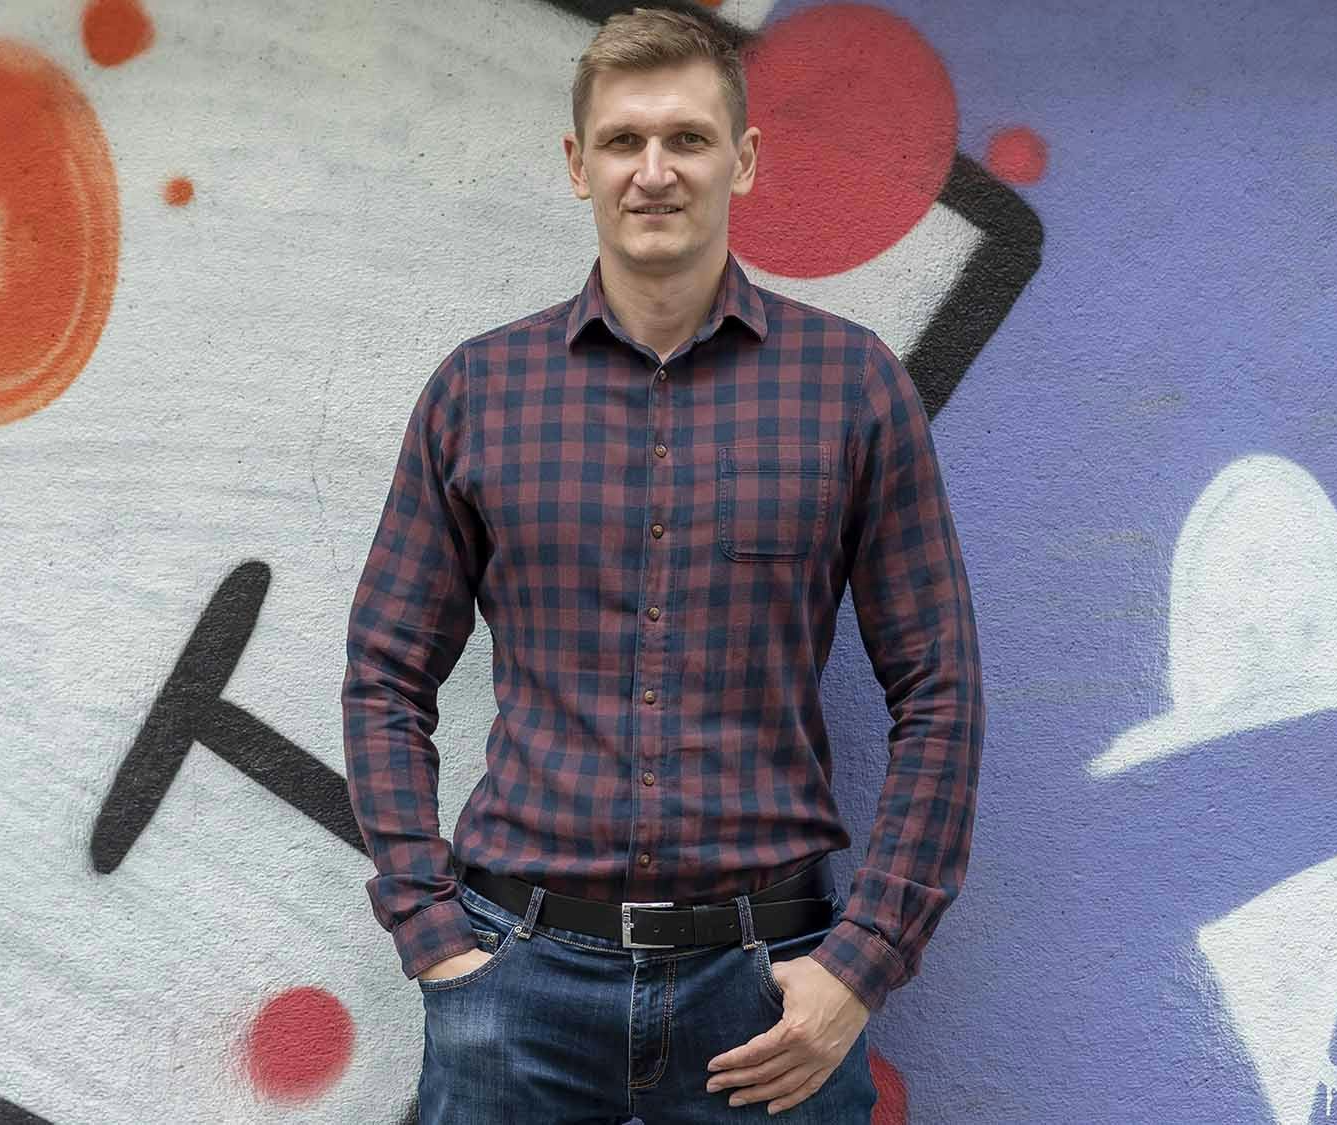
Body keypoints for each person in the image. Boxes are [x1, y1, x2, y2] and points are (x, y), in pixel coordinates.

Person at [341, 8, 983, 1123]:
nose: (653, 171)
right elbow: (384, 672)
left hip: (772, 994)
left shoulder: (849, 389)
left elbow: (940, 693)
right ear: (576, 164)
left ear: (741, 161)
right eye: (622, 141)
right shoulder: (479, 393)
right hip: (514, 987)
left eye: (686, 139)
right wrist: (432, 936)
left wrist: (860, 964)